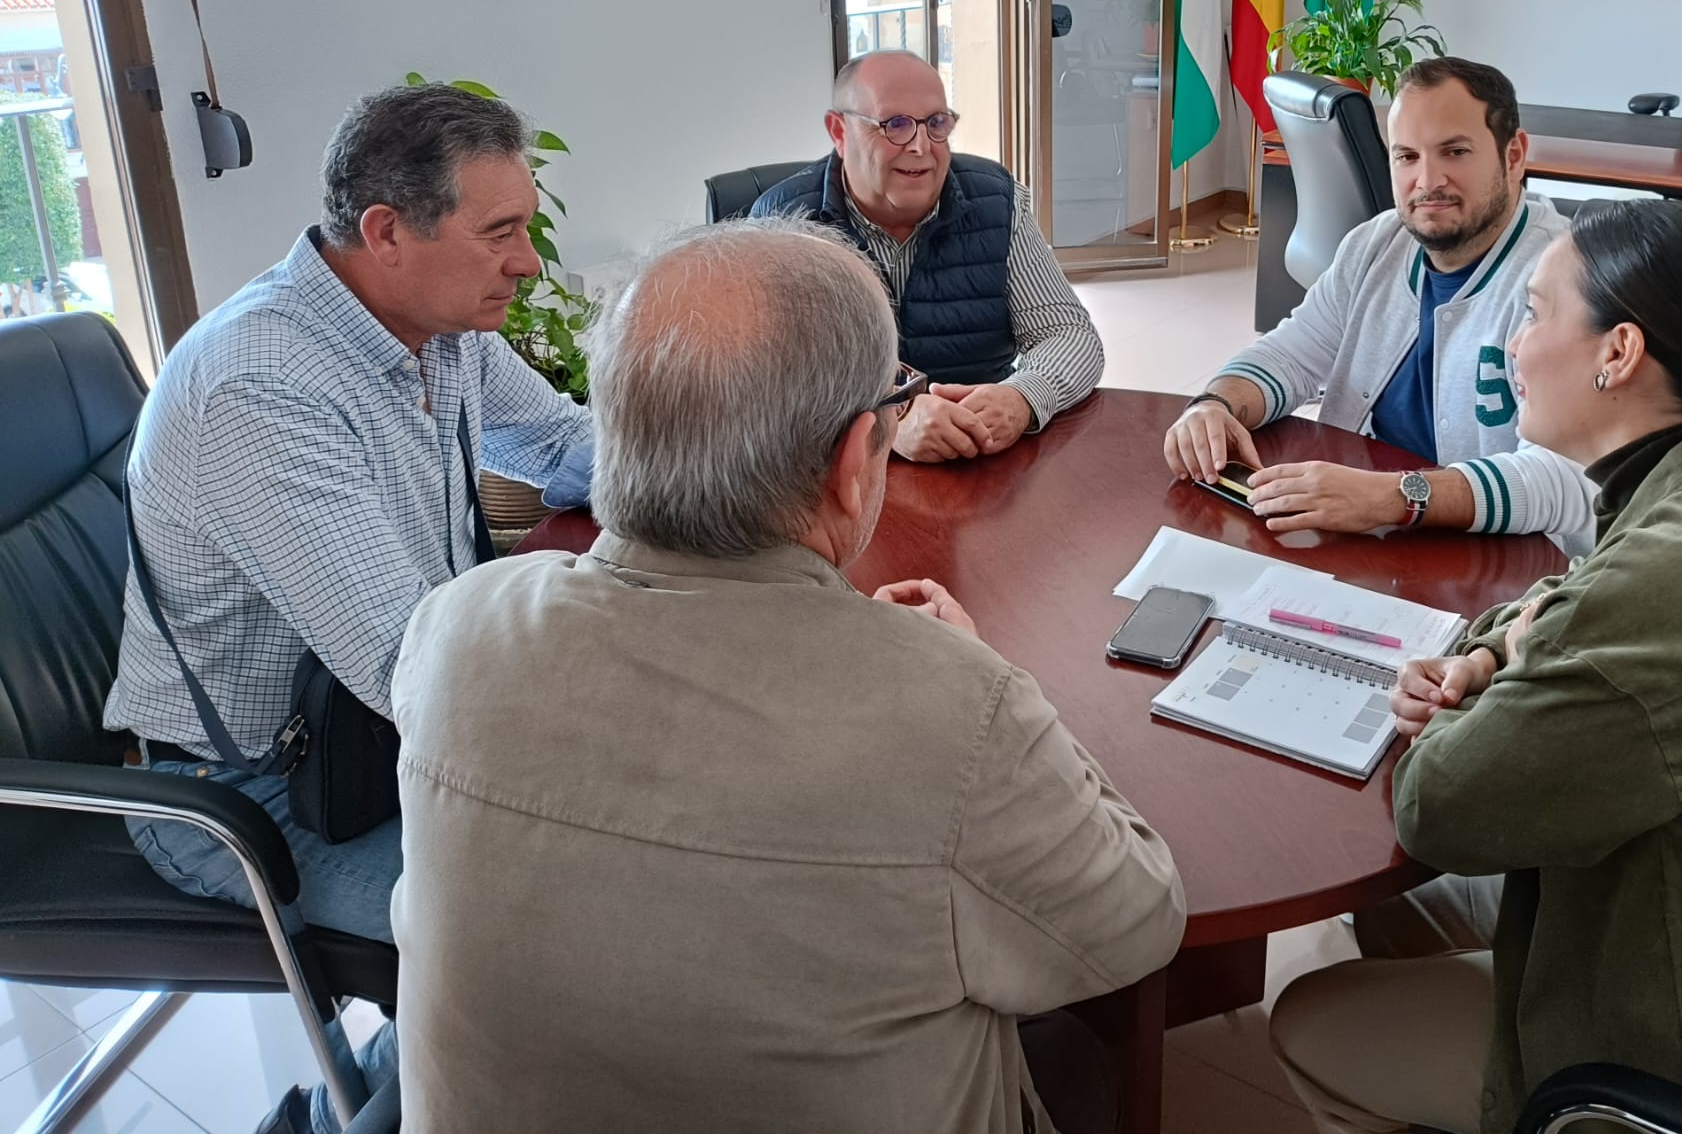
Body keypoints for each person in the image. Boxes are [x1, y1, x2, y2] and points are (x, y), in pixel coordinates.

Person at [389, 217, 1185, 1133]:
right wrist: (969, 678)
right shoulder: (954, 711)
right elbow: (1137, 923)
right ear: (856, 461)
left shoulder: (453, 627)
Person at [1268, 200, 1682, 1134]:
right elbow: (1564, 604)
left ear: (1619, 353)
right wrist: (1493, 651)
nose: (1513, 343)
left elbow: (1438, 802)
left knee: (1314, 1023)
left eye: (1535, 312)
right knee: (1416, 905)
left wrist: (1476, 691)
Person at [104, 84, 594, 1134]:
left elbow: (559, 448)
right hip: (244, 798)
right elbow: (413, 672)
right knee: (563, 940)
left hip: (369, 748)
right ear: (386, 233)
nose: (528, 263)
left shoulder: (438, 322)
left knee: (618, 862)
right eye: (501, 232)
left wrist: (750, 467)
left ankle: (379, 1079)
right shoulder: (261, 387)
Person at [1163, 57, 1599, 557]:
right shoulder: (1377, 242)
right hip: (1368, 533)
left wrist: (1398, 497)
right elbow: (1291, 352)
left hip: (1499, 562)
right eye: (1406, 156)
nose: (1427, 181)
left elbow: (1565, 477)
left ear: (1514, 155)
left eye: (1454, 151)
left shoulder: (1564, 279)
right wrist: (1214, 405)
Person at [752, 51, 1105, 462]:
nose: (921, 146)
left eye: (936, 123)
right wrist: (890, 422)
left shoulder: (996, 201)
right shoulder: (783, 225)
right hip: (839, 475)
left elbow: (1071, 336)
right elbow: (768, 387)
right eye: (895, 125)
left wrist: (1021, 397)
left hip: (983, 463)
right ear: (839, 131)